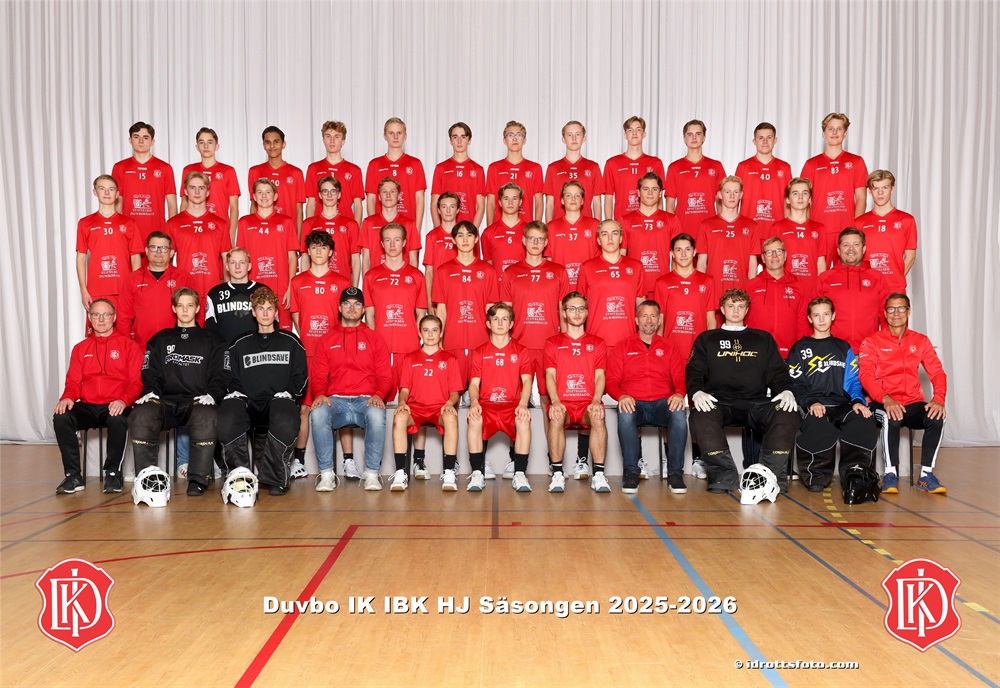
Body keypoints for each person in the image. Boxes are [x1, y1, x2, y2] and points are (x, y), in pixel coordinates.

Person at [685, 288, 799, 495]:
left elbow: (778, 372)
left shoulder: (763, 339)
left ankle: (770, 478)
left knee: (787, 411)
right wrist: (696, 391)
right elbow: (694, 371)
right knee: (699, 414)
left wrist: (787, 390)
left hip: (756, 403)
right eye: (731, 306)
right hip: (719, 403)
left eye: (740, 306)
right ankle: (723, 477)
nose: (735, 310)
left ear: (747, 309)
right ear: (722, 309)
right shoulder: (707, 339)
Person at [129, 288, 227, 496]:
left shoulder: (213, 339)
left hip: (198, 402)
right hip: (166, 402)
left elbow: (221, 373)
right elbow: (150, 371)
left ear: (197, 308)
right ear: (174, 308)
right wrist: (151, 391)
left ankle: (198, 479)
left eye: (190, 305)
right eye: (180, 306)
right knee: (142, 413)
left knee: (207, 415)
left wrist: (213, 394)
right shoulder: (160, 339)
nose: (185, 310)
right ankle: (146, 478)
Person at [219, 287, 307, 497]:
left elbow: (301, 376)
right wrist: (236, 391)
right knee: (228, 411)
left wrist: (290, 392)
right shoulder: (239, 343)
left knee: (285, 413)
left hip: (278, 401)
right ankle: (239, 477)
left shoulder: (291, 342)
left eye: (269, 309)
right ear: (253, 312)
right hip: (248, 403)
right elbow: (230, 375)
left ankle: (275, 478)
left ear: (276, 312)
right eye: (260, 308)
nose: (265, 313)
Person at [859, 293, 948, 494]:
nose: (896, 313)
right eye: (891, 309)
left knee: (937, 417)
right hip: (881, 402)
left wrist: (938, 399)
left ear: (908, 311)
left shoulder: (920, 340)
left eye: (901, 308)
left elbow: (937, 373)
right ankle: (890, 475)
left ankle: (926, 475)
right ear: (885, 313)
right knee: (892, 417)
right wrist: (886, 399)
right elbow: (865, 376)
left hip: (912, 402)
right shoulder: (871, 341)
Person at [787, 297, 878, 493]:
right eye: (816, 315)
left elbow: (853, 381)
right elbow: (795, 384)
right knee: (818, 423)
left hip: (841, 404)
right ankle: (816, 476)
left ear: (833, 316)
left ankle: (856, 474)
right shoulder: (799, 348)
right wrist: (812, 402)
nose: (821, 319)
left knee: (863, 418)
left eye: (826, 314)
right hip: (812, 404)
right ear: (809, 319)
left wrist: (857, 401)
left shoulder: (843, 347)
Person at [53, 299, 143, 494]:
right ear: (90, 317)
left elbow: (137, 383)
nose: (101, 319)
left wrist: (123, 400)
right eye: (96, 315)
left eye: (106, 315)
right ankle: (73, 476)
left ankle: (113, 474)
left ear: (114, 317)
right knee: (61, 416)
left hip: (116, 404)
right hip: (88, 405)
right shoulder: (80, 348)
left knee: (118, 418)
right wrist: (67, 397)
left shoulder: (129, 346)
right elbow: (73, 383)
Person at [310, 288, 393, 491]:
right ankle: (327, 475)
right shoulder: (327, 339)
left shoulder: (375, 338)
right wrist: (320, 393)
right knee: (318, 412)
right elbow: (318, 375)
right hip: (336, 401)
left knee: (376, 413)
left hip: (365, 400)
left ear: (363, 309)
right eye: (347, 303)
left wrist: (378, 395)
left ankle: (371, 474)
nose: (352, 308)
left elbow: (385, 376)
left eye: (357, 304)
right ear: (339, 308)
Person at [653, 233, 717, 480]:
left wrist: (711, 352)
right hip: (671, 356)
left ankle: (699, 459)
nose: (683, 254)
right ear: (671, 253)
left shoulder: (707, 281)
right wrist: (658, 354)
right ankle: (670, 459)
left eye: (687, 249)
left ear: (695, 252)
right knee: (671, 407)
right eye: (678, 249)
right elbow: (659, 323)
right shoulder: (662, 282)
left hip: (698, 356)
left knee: (699, 408)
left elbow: (711, 319)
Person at [606, 300, 688, 494]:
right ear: (636, 320)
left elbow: (680, 378)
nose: (649, 320)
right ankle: (631, 472)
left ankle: (675, 474)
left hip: (662, 403)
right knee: (625, 413)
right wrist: (621, 396)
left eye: (653, 316)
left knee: (679, 413)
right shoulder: (623, 346)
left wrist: (679, 393)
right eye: (644, 316)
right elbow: (611, 381)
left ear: (659, 320)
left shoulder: (669, 346)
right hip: (634, 402)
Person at [500, 221, 570, 443]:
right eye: (532, 238)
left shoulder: (558, 271)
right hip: (520, 346)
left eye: (540, 239)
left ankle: (553, 455)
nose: (536, 243)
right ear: (524, 240)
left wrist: (565, 343)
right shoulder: (511, 272)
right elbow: (505, 313)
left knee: (549, 401)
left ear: (546, 242)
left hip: (550, 346)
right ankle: (516, 454)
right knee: (516, 401)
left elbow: (564, 312)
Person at [290, 231, 351, 479]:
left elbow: (347, 318)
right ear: (308, 251)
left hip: (336, 355)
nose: (318, 252)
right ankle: (298, 461)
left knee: (342, 406)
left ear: (331, 252)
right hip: (309, 355)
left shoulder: (342, 282)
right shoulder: (297, 282)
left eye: (323, 248)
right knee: (305, 409)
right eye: (314, 247)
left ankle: (348, 461)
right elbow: (297, 318)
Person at [544, 293, 610, 493]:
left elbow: (600, 376)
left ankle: (598, 475)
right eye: (572, 308)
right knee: (555, 416)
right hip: (563, 402)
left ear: (587, 312)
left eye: (581, 308)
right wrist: (555, 401)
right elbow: (550, 376)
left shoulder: (597, 342)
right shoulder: (552, 342)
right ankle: (557, 474)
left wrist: (596, 400)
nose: (577, 312)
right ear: (564, 313)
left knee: (598, 415)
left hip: (586, 403)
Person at [390, 315, 462, 491]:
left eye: (434, 330)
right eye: (426, 330)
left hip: (439, 409)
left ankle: (449, 472)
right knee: (399, 418)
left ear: (441, 333)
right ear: (419, 333)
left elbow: (455, 392)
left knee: (451, 418)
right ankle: (400, 473)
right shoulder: (410, 358)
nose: (430, 334)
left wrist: (449, 403)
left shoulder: (450, 359)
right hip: (415, 408)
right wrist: (402, 402)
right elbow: (404, 389)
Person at [466, 303, 534, 492]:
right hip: (487, 405)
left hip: (512, 405)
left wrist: (523, 404)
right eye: (495, 319)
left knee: (523, 420)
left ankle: (519, 474)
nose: (500, 323)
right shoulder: (480, 351)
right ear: (488, 324)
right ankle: (477, 473)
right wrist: (474, 403)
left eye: (505, 319)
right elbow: (474, 384)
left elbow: (527, 381)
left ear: (511, 324)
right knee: (474, 418)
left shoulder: (521, 351)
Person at [432, 221, 499, 389]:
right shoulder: (443, 271)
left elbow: (491, 309)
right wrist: (439, 339)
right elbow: (441, 309)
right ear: (453, 240)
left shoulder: (488, 270)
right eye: (460, 235)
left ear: (476, 239)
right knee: (451, 392)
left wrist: (493, 340)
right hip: (452, 340)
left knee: (483, 392)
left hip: (480, 340)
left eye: (469, 235)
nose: (465, 239)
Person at [800, 113, 869, 262]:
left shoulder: (856, 162)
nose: (835, 132)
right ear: (823, 133)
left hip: (846, 230)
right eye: (830, 129)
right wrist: (808, 227)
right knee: (819, 273)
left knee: (846, 274)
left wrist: (854, 230)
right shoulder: (812, 164)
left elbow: (861, 198)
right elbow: (804, 200)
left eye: (839, 129)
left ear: (845, 133)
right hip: (819, 229)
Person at [234, 179, 299, 330]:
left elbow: (292, 257)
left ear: (275, 196)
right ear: (254, 197)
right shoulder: (244, 222)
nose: (264, 196)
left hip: (281, 289)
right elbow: (241, 259)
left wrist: (290, 288)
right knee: (253, 333)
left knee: (281, 333)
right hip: (252, 288)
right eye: (260, 192)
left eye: (268, 192)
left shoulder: (286, 222)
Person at [167, 171, 231, 320]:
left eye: (201, 188)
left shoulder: (220, 224)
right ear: (185, 191)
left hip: (213, 289)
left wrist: (227, 289)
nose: (197, 192)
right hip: (184, 291)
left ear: (207, 192)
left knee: (212, 333)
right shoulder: (173, 223)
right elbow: (167, 260)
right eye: (192, 187)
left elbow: (226, 259)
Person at [75, 175, 142, 317]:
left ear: (117, 194)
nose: (106, 193)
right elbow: (81, 257)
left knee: (125, 329)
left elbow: (135, 257)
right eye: (102, 189)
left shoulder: (129, 223)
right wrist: (83, 290)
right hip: (96, 289)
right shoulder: (85, 223)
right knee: (99, 328)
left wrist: (135, 288)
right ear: (95, 192)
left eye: (111, 189)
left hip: (124, 288)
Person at [815, 228, 890, 352]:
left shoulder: (877, 278)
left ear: (864, 249)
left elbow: (885, 316)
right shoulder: (824, 278)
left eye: (856, 244)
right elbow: (813, 315)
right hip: (833, 352)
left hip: (868, 352)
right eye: (846, 245)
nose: (851, 249)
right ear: (838, 250)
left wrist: (887, 347)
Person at [117, 232, 194, 348]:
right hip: (142, 348)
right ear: (146, 251)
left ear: (171, 253)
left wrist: (191, 343)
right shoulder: (132, 279)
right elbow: (123, 317)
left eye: (163, 248)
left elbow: (196, 312)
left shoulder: (184, 278)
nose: (158, 252)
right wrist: (126, 346)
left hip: (178, 349)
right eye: (154, 247)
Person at [576, 220, 646, 348]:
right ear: (598, 240)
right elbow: (579, 307)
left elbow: (641, 306)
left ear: (621, 238)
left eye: (614, 233)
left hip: (628, 341)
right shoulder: (587, 267)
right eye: (604, 234)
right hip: (596, 341)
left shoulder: (636, 267)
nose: (610, 238)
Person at [111, 121, 177, 248]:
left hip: (157, 236)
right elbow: (117, 204)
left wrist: (171, 237)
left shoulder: (164, 168)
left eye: (145, 138)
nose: (141, 141)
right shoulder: (120, 167)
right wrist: (118, 232)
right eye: (136, 137)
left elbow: (172, 204)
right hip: (128, 234)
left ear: (152, 142)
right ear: (130, 140)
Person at [744, 237, 809, 357]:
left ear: (785, 255)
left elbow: (803, 324)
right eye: (769, 252)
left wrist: (799, 352)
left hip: (789, 355)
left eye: (778, 251)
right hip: (756, 354)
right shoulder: (750, 286)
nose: (774, 255)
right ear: (763, 258)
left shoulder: (798, 287)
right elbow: (743, 322)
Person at [855, 170, 918, 293]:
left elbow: (910, 256)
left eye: (885, 187)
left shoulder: (907, 220)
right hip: (867, 288)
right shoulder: (859, 222)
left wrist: (896, 280)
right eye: (875, 188)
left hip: (895, 289)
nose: (880, 192)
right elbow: (855, 258)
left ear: (892, 189)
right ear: (870, 191)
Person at [620, 172, 682, 295]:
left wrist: (675, 285)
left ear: (660, 193)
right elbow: (621, 257)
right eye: (645, 189)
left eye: (654, 189)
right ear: (638, 192)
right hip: (635, 287)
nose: (650, 193)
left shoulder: (671, 220)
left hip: (663, 287)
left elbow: (677, 256)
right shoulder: (625, 220)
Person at [695, 176, 759, 293]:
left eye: (736, 192)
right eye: (727, 192)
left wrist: (751, 291)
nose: (732, 196)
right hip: (714, 291)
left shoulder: (751, 226)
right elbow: (702, 263)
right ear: (720, 194)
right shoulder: (706, 225)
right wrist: (702, 292)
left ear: (741, 195)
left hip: (740, 293)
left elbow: (752, 264)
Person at [665, 119, 727, 236]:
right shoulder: (674, 167)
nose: (694, 137)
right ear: (684, 139)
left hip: (709, 229)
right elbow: (669, 205)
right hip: (682, 230)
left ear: (704, 137)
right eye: (689, 134)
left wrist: (720, 227)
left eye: (698, 134)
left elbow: (721, 202)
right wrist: (672, 232)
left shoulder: (716, 166)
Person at [768, 177, 828, 297]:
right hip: (784, 290)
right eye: (795, 193)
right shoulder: (777, 227)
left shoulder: (819, 228)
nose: (800, 197)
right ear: (788, 200)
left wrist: (820, 292)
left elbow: (821, 264)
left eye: (804, 193)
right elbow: (771, 263)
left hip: (811, 291)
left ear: (809, 199)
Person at [364, 117, 426, 229]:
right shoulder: (374, 164)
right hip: (382, 227)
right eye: (391, 133)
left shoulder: (415, 163)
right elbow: (371, 199)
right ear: (385, 136)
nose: (395, 137)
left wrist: (417, 229)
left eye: (399, 133)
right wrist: (374, 228)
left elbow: (419, 199)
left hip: (407, 226)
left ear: (405, 136)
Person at [179, 127, 241, 237]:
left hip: (219, 229)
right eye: (201, 142)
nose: (206, 146)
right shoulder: (188, 170)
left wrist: (231, 236)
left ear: (217, 146)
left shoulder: (228, 171)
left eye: (210, 142)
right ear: (197, 147)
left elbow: (234, 207)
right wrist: (183, 230)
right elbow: (184, 203)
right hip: (194, 229)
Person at [603, 116, 665, 223]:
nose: (634, 133)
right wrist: (609, 224)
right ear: (625, 135)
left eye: (638, 130)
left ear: (644, 134)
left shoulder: (655, 163)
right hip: (622, 221)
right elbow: (608, 197)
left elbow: (659, 196)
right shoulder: (612, 163)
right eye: (630, 130)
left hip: (648, 222)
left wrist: (658, 221)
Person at [300, 176, 361, 285]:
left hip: (343, 283)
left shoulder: (351, 224)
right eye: (325, 191)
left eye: (333, 191)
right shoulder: (308, 224)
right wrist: (305, 283)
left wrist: (354, 288)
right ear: (320, 195)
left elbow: (355, 258)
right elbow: (305, 257)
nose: (329, 195)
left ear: (339, 194)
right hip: (315, 283)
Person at [734, 122, 793, 233]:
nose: (765, 142)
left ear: (775, 140)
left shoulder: (784, 167)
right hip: (748, 229)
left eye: (769, 137)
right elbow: (734, 200)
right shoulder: (743, 167)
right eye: (761, 138)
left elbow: (788, 201)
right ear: (754, 141)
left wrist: (787, 229)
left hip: (776, 229)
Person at [248, 126, 306, 236]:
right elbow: (253, 206)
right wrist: (253, 234)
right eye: (268, 142)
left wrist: (298, 240)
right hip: (263, 233)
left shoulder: (296, 173)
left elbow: (299, 210)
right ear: (263, 145)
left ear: (283, 144)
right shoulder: (254, 171)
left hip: (287, 233)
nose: (272, 146)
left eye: (276, 142)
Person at [305, 120, 365, 225]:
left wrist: (355, 230)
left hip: (345, 227)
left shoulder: (354, 170)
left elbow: (358, 205)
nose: (332, 141)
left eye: (336, 137)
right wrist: (310, 228)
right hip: (320, 227)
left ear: (343, 141)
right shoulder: (313, 168)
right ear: (323, 140)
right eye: (328, 136)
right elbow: (311, 204)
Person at [544, 120, 604, 221]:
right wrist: (548, 228)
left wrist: (598, 227)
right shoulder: (553, 168)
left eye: (578, 134)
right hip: (559, 226)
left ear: (584, 138)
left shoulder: (593, 167)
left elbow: (597, 203)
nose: (574, 138)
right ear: (563, 139)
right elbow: (549, 204)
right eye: (569, 135)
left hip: (586, 226)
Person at [204, 248, 266, 346]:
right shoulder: (214, 294)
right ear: (227, 266)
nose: (237, 267)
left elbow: (272, 327)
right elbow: (210, 330)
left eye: (242, 262)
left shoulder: (263, 291)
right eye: (233, 262)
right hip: (225, 351)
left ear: (249, 266)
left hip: (256, 351)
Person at [486, 121, 544, 224]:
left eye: (519, 135)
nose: (515, 139)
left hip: (526, 227)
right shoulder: (494, 168)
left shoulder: (535, 168)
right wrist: (489, 229)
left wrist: (536, 229)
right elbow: (490, 202)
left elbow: (539, 202)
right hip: (500, 226)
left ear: (524, 140)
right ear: (504, 140)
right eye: (510, 135)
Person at [545, 181, 601, 287]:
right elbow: (549, 261)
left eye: (577, 195)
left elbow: (599, 259)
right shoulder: (551, 227)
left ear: (582, 201)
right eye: (568, 195)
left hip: (587, 286)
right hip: (561, 287)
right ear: (562, 200)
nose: (573, 199)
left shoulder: (594, 225)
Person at [430, 122, 486, 226]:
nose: (459, 141)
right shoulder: (441, 168)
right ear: (450, 141)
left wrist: (472, 231)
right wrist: (439, 231)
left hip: (468, 228)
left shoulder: (478, 169)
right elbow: (434, 204)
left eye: (463, 137)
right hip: (446, 228)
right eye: (455, 137)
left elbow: (481, 206)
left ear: (469, 141)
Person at [359, 177, 421, 271]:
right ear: (379, 197)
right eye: (384, 192)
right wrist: (367, 280)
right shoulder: (368, 223)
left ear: (399, 196)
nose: (388, 195)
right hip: (376, 278)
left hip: (403, 278)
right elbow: (366, 259)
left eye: (392, 191)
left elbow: (413, 260)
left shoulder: (409, 224)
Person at [480, 182, 527, 279]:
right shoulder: (488, 232)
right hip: (498, 286)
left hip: (523, 285)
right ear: (500, 203)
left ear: (520, 202)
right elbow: (488, 266)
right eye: (506, 198)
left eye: (514, 198)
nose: (510, 202)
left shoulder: (529, 231)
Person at [422, 192, 460, 308]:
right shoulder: (432, 236)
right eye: (444, 207)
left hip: (460, 289)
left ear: (458, 210)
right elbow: (429, 271)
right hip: (439, 292)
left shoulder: (466, 235)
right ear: (438, 210)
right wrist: (429, 300)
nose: (448, 210)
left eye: (452, 206)